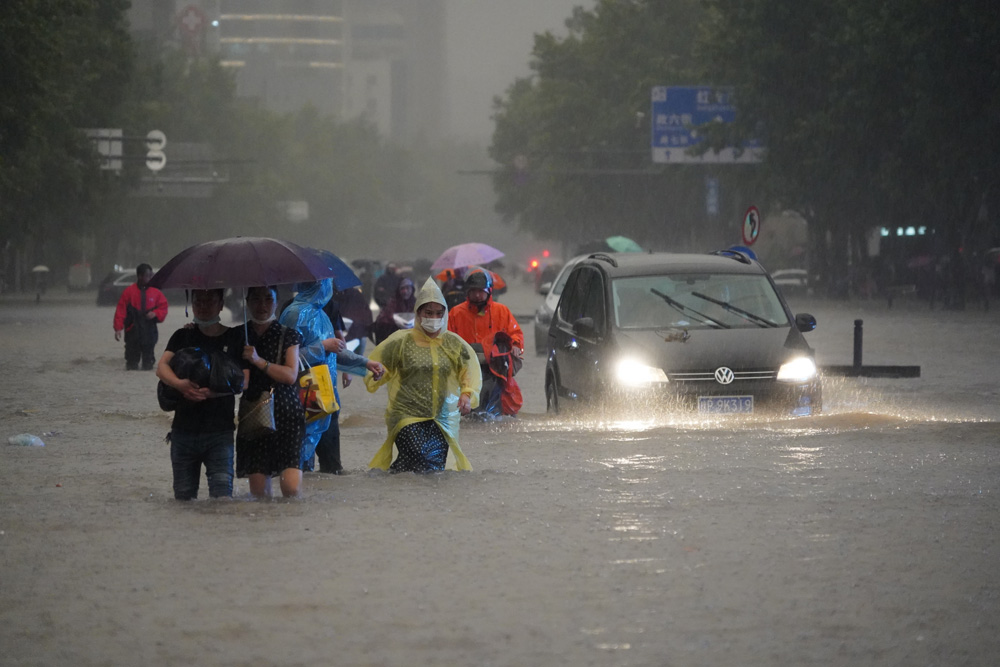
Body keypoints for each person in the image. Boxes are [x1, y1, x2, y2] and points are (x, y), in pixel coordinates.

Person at [365, 278, 482, 473]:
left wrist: (466, 395)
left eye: (438, 313)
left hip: (442, 418)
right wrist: (379, 374)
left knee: (432, 470)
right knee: (418, 455)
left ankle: (403, 491)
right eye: (428, 313)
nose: (433, 318)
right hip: (406, 415)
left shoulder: (454, 344)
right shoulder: (400, 341)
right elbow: (378, 365)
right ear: (418, 313)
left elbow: (469, 371)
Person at [279, 279, 384, 473]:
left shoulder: (322, 315)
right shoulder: (294, 314)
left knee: (332, 469)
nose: (328, 287)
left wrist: (366, 363)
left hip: (326, 399)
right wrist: (322, 347)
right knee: (300, 463)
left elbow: (336, 351)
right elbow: (284, 357)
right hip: (303, 398)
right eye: (324, 283)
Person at [156, 289, 248, 500]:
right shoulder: (182, 336)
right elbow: (161, 368)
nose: (203, 305)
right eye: (198, 301)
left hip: (220, 433)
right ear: (192, 304)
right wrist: (181, 385)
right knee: (183, 500)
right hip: (183, 432)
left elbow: (244, 381)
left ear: (221, 303)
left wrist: (212, 393)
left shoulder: (235, 338)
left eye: (210, 300)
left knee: (222, 498)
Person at [236, 286, 305, 498]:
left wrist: (258, 361)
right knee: (259, 496)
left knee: (291, 489)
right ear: (247, 301)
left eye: (268, 299)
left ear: (276, 302)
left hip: (287, 414)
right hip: (255, 416)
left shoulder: (289, 335)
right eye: (256, 299)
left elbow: (290, 375)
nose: (262, 305)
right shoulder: (239, 335)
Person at [447, 268, 524, 418]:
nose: (477, 295)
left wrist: (515, 345)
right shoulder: (456, 313)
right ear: (467, 292)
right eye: (473, 291)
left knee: (501, 409)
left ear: (489, 291)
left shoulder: (502, 311)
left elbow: (515, 333)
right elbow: (448, 341)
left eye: (481, 291)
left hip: (494, 368)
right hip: (465, 369)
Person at [113, 263, 168, 370]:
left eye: (151, 275)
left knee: (148, 364)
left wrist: (155, 313)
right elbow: (121, 310)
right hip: (132, 332)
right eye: (148, 275)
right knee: (131, 364)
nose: (150, 278)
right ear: (140, 276)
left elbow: (163, 307)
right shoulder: (129, 292)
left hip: (149, 333)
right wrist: (118, 328)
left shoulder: (156, 292)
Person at [372, 277, 415, 344]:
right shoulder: (392, 304)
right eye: (402, 288)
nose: (405, 291)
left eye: (408, 288)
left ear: (412, 289)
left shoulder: (416, 304)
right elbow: (383, 320)